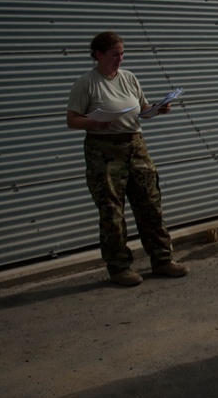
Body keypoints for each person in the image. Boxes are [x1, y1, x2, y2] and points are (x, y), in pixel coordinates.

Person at [66, 31, 189, 287]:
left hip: (136, 146)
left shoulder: (129, 78)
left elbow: (142, 110)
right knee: (112, 212)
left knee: (151, 204)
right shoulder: (87, 83)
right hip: (104, 151)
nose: (119, 59)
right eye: (114, 54)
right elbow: (72, 119)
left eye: (122, 53)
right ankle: (120, 267)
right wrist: (94, 123)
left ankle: (162, 259)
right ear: (98, 55)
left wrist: (157, 109)